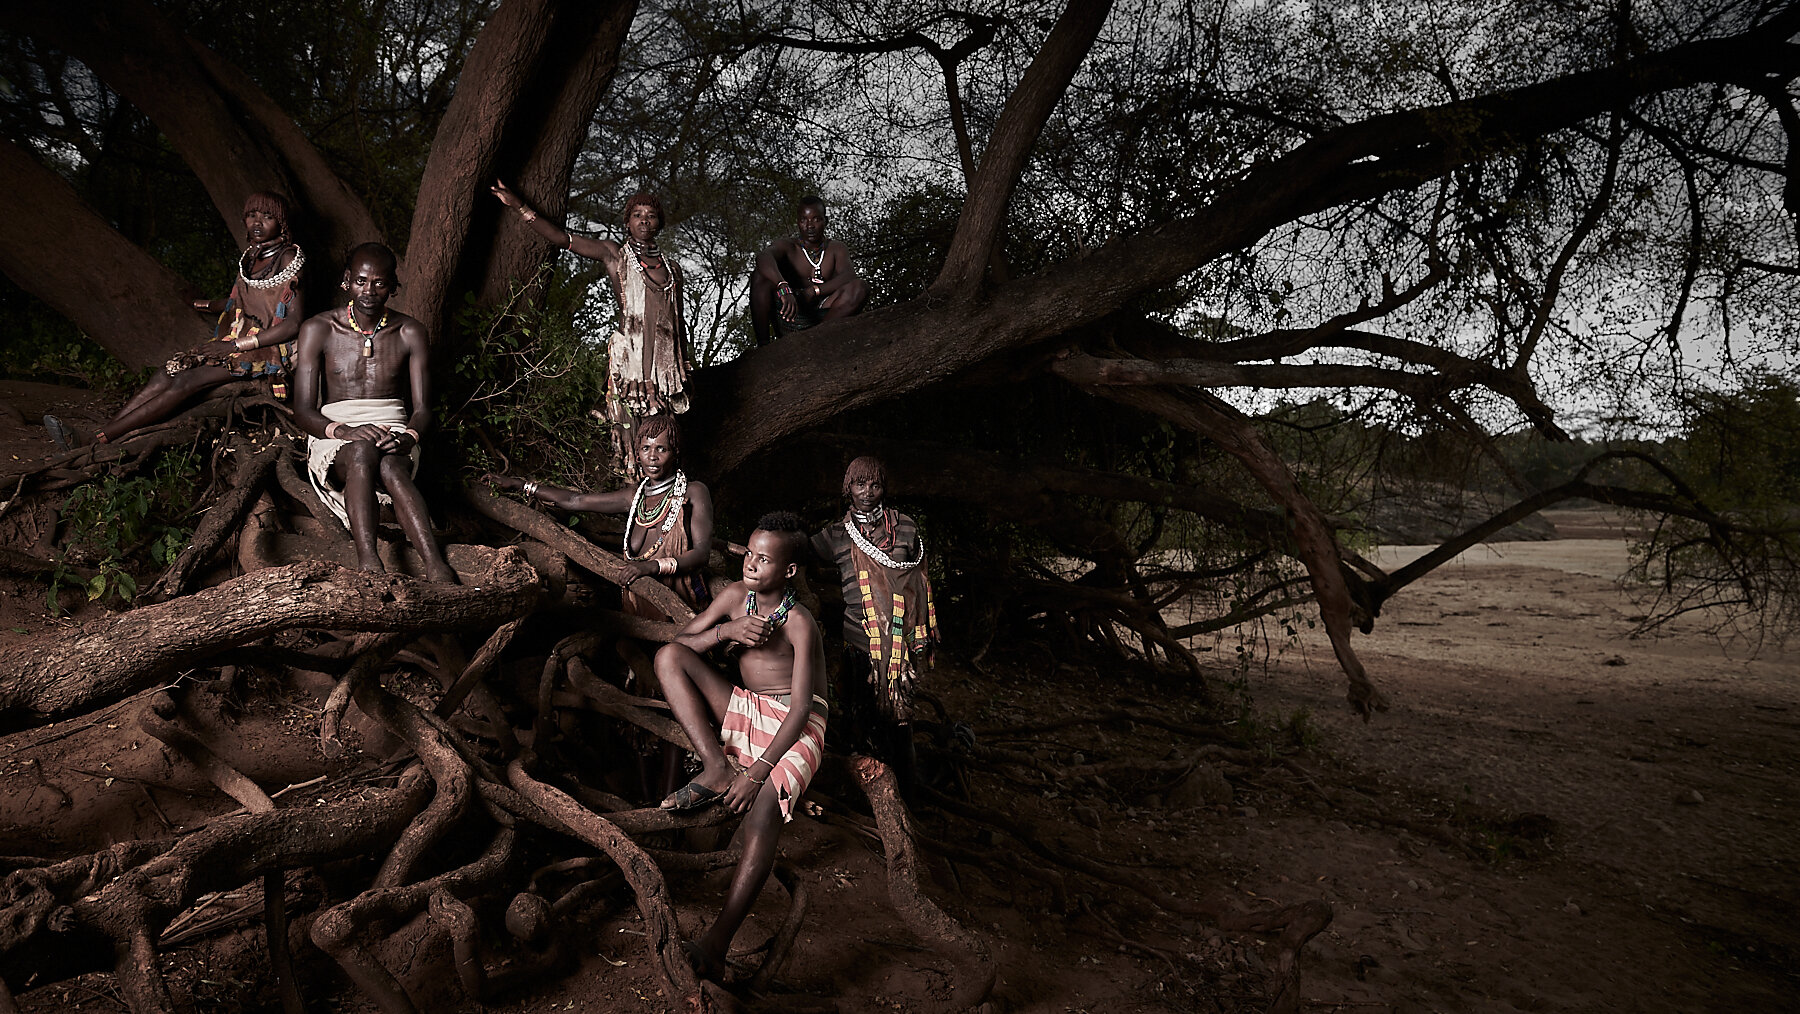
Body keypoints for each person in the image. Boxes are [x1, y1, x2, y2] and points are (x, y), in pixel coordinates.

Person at [652, 511, 826, 980]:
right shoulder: (734, 596)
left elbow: (802, 709)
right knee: (668, 658)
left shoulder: (800, 624)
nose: (752, 563)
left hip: (799, 722)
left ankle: (717, 943)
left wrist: (758, 772)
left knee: (764, 808)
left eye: (764, 559)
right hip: (749, 707)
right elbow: (679, 641)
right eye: (749, 553)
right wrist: (725, 631)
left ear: (788, 571)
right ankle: (714, 766)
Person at [47, 192, 305, 448]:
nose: (257, 223)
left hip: (267, 351)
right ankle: (103, 433)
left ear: (281, 223)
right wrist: (198, 304)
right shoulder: (251, 256)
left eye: (267, 216)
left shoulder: (289, 258)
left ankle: (94, 440)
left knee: (184, 381)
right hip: (234, 343)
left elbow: (293, 323)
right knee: (165, 373)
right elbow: (236, 304)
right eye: (251, 216)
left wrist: (233, 346)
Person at [488, 180, 691, 480]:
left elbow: (678, 321)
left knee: (663, 436)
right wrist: (519, 206)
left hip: (664, 369)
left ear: (659, 223)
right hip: (632, 362)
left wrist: (685, 366)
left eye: (651, 215)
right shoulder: (615, 255)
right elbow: (561, 238)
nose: (644, 220)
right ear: (627, 222)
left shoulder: (672, 269)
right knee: (632, 436)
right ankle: (632, 499)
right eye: (637, 214)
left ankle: (664, 502)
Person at [291, 243, 456, 583]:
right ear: (347, 281)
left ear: (394, 286)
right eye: (361, 281)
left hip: (394, 428)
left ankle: (436, 566)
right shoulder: (318, 329)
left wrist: (409, 437)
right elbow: (303, 411)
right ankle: (369, 563)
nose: (369, 291)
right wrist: (344, 431)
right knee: (363, 451)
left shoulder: (410, 331)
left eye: (380, 283)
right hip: (335, 431)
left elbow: (423, 409)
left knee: (392, 466)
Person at [485, 414, 713, 617]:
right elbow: (575, 501)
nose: (652, 457)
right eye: (646, 449)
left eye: (661, 449)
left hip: (683, 600)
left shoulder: (693, 492)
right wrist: (520, 484)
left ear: (676, 452)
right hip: (636, 598)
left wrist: (650, 567)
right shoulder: (634, 496)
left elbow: (702, 554)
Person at [811, 456, 937, 793]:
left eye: (875, 484)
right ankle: (861, 789)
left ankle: (908, 794)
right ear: (847, 487)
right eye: (859, 484)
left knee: (900, 718)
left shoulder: (906, 526)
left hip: (898, 645)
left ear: (885, 487)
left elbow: (918, 580)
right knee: (859, 713)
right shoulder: (836, 535)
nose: (868, 491)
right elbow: (800, 555)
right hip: (858, 640)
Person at [749, 195, 867, 347]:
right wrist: (783, 286)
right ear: (798, 222)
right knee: (760, 275)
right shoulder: (789, 246)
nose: (809, 226)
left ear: (826, 221)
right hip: (791, 314)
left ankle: (817, 339)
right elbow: (763, 257)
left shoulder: (836, 248)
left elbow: (849, 275)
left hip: (824, 318)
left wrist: (814, 291)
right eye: (804, 220)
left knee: (859, 287)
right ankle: (763, 346)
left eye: (816, 219)